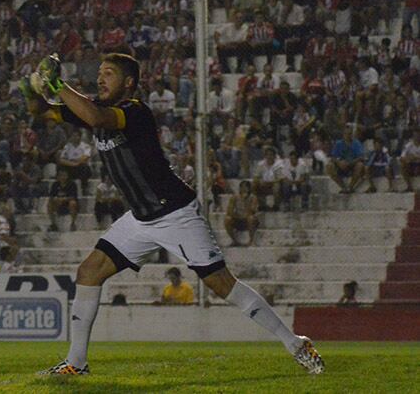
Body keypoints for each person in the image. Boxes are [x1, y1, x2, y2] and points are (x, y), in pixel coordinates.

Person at [22, 53, 323, 375]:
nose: (100, 78)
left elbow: (96, 118)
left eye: (109, 73)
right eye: (99, 73)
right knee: (89, 272)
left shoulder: (134, 111)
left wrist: (56, 83)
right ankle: (76, 363)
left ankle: (295, 342)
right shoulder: (93, 110)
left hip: (175, 213)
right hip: (140, 218)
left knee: (221, 284)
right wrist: (31, 87)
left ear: (129, 83)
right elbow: (40, 111)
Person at [326, 127, 366, 193]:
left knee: (360, 165)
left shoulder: (356, 143)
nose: (347, 135)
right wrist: (339, 162)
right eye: (346, 134)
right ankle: (343, 187)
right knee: (329, 166)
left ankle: (350, 187)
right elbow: (332, 157)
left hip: (352, 164)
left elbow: (361, 157)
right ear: (343, 134)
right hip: (341, 165)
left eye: (349, 134)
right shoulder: (338, 143)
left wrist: (350, 163)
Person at [224, 181, 260, 246]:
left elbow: (252, 212)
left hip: (248, 220)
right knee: (227, 219)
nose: (244, 189)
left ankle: (251, 241)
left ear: (249, 189)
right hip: (238, 218)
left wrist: (244, 201)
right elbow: (229, 211)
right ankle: (234, 241)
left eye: (246, 187)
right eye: (242, 187)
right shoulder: (234, 197)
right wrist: (237, 216)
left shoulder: (253, 198)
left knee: (251, 218)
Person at [252, 147, 284, 211]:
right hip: (263, 183)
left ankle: (276, 205)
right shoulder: (260, 164)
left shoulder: (279, 165)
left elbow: (281, 179)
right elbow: (255, 177)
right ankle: (262, 205)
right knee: (254, 184)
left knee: (277, 186)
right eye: (267, 155)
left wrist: (270, 182)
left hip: (274, 184)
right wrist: (260, 181)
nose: (269, 157)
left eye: (271, 155)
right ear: (265, 156)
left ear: (274, 156)